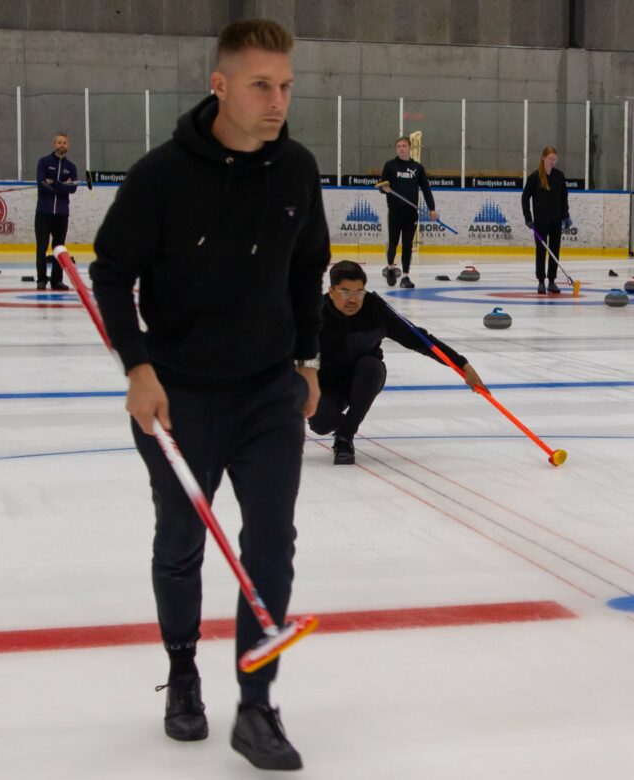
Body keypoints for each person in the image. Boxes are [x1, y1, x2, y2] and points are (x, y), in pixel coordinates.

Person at [90, 19, 329, 770]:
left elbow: (306, 268)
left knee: (270, 545)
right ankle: (184, 674)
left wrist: (309, 362)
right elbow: (110, 275)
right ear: (219, 86)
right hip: (179, 396)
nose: (277, 100)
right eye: (261, 84)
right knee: (181, 543)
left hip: (266, 394)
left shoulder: (296, 169)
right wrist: (138, 368)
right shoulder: (160, 175)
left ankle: (257, 707)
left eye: (286, 85)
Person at [310, 260, 484, 465]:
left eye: (359, 292)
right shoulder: (315, 315)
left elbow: (419, 340)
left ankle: (345, 438)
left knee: (370, 366)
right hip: (326, 384)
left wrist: (462, 365)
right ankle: (344, 426)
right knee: (320, 423)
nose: (353, 299)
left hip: (364, 378)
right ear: (331, 291)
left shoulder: (376, 309)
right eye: (345, 292)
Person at [376, 136, 437, 289]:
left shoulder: (418, 168)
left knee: (408, 245)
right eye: (398, 146)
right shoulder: (390, 166)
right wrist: (384, 189)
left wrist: (432, 209)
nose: (401, 148)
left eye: (404, 146)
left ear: (410, 148)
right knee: (394, 243)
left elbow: (426, 190)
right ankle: (390, 268)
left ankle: (405, 276)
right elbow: (381, 186)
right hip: (395, 212)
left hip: (411, 213)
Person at [521, 146, 571, 294]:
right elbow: (525, 197)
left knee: (554, 251)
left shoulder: (559, 176)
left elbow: (564, 197)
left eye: (554, 159)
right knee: (541, 251)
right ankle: (541, 281)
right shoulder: (535, 177)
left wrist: (565, 215)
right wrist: (528, 218)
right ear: (544, 158)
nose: (552, 162)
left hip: (556, 221)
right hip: (540, 222)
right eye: (550, 159)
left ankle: (552, 281)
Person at [35, 132, 79, 291]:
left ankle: (56, 281)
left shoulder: (71, 167)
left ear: (68, 146)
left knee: (59, 247)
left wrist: (53, 183)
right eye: (59, 142)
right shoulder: (44, 162)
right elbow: (41, 184)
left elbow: (73, 188)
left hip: (61, 214)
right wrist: (62, 186)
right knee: (41, 247)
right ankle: (41, 280)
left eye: (64, 143)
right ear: (54, 144)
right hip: (44, 213)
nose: (62, 145)